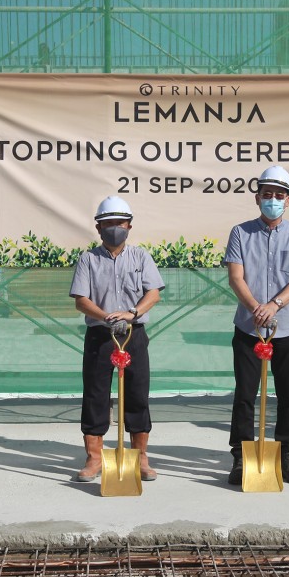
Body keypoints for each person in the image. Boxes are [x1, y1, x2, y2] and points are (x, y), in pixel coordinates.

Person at [224, 165, 289, 485]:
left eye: (279, 195)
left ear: (288, 201)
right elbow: (236, 277)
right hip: (249, 327)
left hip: (285, 326)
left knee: (288, 394)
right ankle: (241, 456)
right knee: (246, 394)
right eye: (267, 194)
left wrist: (273, 305)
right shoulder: (240, 232)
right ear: (257, 197)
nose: (272, 200)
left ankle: (287, 454)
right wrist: (255, 309)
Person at [69, 196, 165, 482]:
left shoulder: (141, 257)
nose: (114, 228)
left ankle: (140, 457)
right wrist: (107, 316)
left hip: (133, 333)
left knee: (137, 393)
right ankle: (94, 457)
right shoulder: (88, 259)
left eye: (119, 223)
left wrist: (131, 314)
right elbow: (81, 300)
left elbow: (154, 294)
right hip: (101, 334)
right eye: (108, 223)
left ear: (129, 226)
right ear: (98, 227)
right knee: (96, 394)